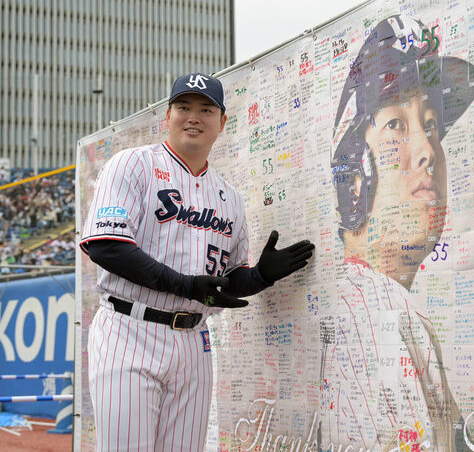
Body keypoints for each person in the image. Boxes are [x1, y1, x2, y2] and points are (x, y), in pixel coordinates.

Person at [80, 72, 315, 452]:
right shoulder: (132, 164)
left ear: (222, 123)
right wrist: (186, 285)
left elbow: (222, 285)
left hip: (193, 339)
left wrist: (259, 276)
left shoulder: (229, 196)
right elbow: (107, 247)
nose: (194, 117)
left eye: (206, 109)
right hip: (128, 328)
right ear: (167, 116)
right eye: (184, 107)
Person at [324, 16, 474, 451]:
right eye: (396, 124)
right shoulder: (375, 316)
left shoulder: (382, 302)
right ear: (354, 177)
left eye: (431, 125)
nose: (428, 150)